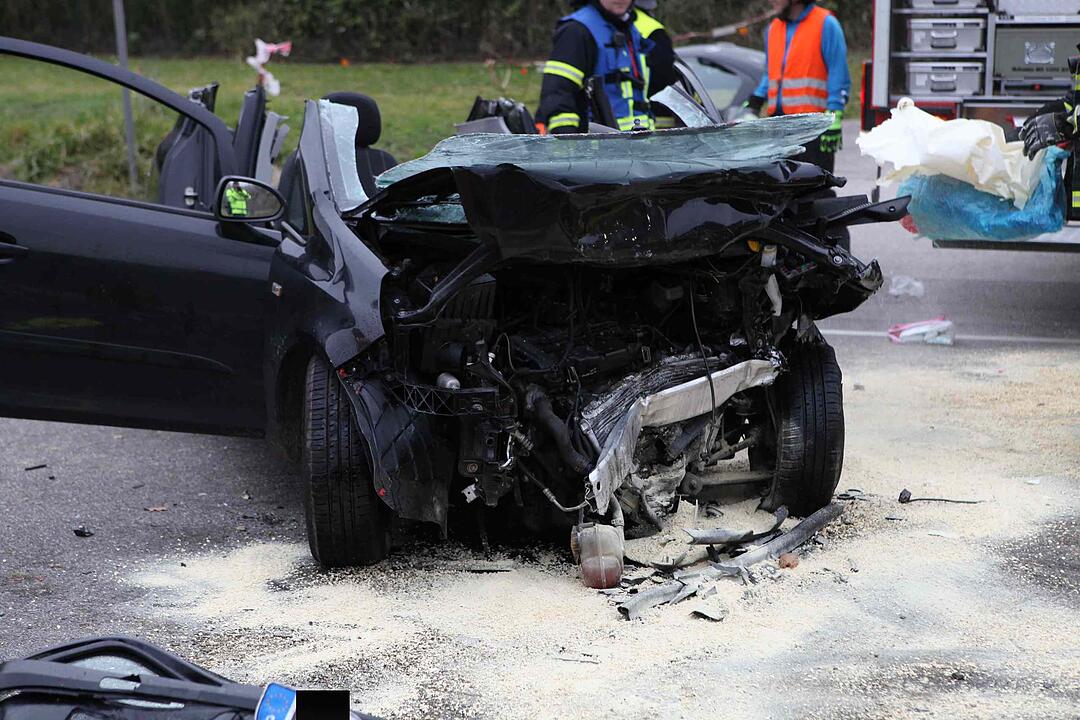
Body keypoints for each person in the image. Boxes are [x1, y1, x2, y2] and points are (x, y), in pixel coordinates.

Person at [536, 0, 677, 134]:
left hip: (635, 147)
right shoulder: (576, 31)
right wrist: (569, 145)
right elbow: (557, 96)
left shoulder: (630, 31)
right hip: (597, 151)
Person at [744, 0, 850, 174]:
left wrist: (835, 115)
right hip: (779, 128)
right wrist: (756, 100)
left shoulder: (826, 24)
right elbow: (770, 73)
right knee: (780, 189)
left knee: (814, 192)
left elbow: (838, 73)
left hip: (813, 129)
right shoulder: (773, 29)